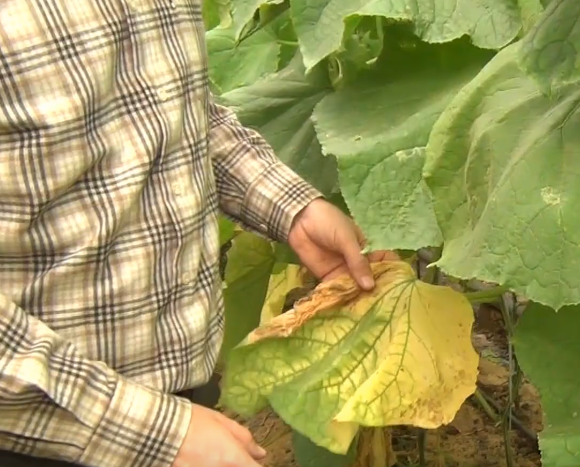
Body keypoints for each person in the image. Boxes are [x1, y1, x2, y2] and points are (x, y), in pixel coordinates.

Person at [0, 1, 394, 466]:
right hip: (45, 424)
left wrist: (291, 206)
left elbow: (178, 112)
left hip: (185, 391)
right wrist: (153, 430)